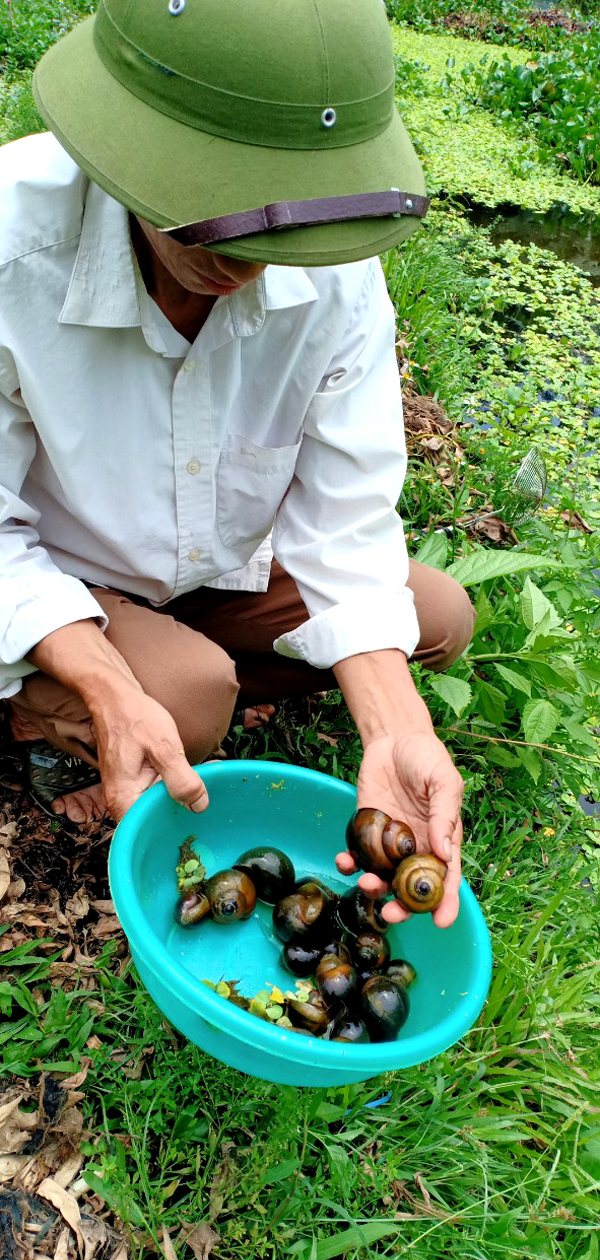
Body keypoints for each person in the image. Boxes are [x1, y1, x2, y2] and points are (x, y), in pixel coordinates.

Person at [0, 0, 474, 928]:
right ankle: (56, 704)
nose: (243, 267)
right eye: (207, 230)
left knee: (434, 618)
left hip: (210, 562)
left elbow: (345, 515)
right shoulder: (15, 249)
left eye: (273, 243)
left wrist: (395, 727)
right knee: (191, 698)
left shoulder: (335, 267)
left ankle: (157, 675)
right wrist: (101, 676)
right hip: (53, 567)